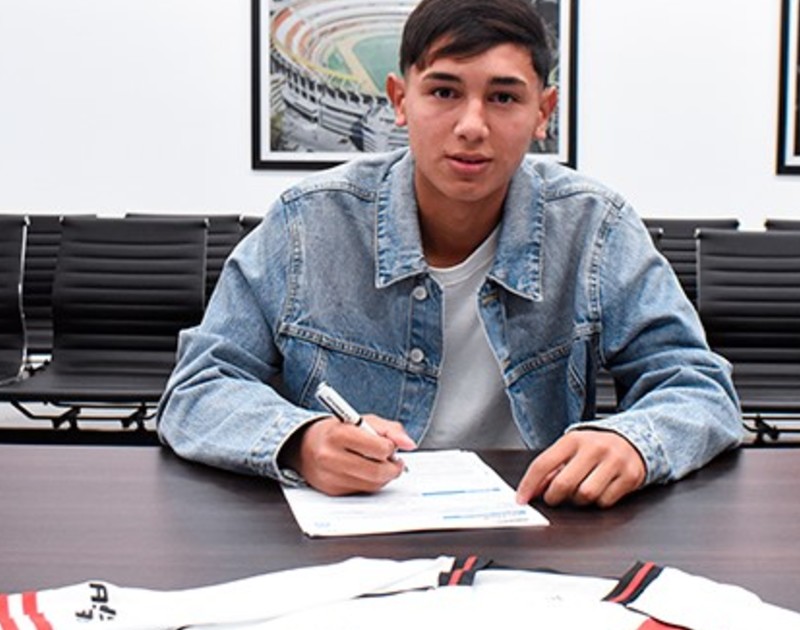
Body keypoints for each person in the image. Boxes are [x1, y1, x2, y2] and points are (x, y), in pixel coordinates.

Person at [157, 0, 741, 508]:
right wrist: (299, 440)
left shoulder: (595, 227)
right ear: (400, 100)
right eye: (444, 92)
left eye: (503, 97)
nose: (471, 126)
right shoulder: (307, 222)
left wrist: (632, 442)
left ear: (543, 112)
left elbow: (697, 386)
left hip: (534, 524)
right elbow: (198, 387)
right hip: (353, 530)